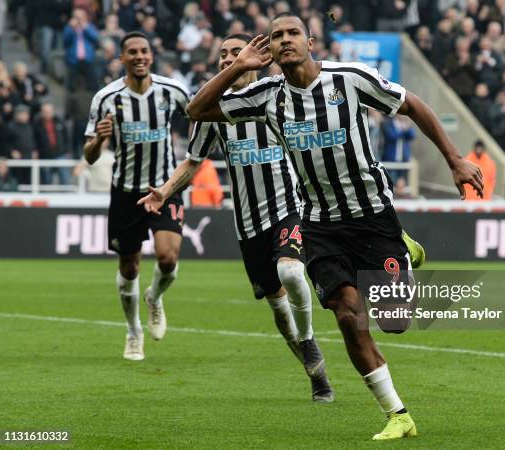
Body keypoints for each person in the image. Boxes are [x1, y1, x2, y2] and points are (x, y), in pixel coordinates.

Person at [183, 14, 483, 440]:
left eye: (292, 34)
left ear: (309, 40)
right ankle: (397, 413)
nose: (285, 41)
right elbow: (195, 110)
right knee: (347, 314)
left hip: (372, 215)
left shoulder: (350, 79)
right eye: (276, 37)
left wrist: (454, 159)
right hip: (320, 223)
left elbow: (413, 104)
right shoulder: (266, 95)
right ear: (267, 49)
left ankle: (402, 248)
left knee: (395, 320)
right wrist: (238, 67)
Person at [139, 33, 334, 403]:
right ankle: (317, 377)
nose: (228, 58)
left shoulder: (279, 96)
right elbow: (193, 162)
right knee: (278, 310)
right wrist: (165, 191)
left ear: (256, 56)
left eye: (235, 52)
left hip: (288, 208)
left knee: (292, 272)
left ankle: (309, 340)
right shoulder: (215, 110)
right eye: (223, 55)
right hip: (248, 224)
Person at [83, 31, 191, 361]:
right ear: (122, 58)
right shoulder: (106, 98)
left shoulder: (173, 91)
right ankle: (133, 332)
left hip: (163, 188)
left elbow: (199, 121)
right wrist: (99, 141)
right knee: (129, 268)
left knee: (168, 259)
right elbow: (88, 156)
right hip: (125, 192)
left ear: (151, 56)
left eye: (144, 50)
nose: (139, 56)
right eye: (132, 52)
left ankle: (154, 298)